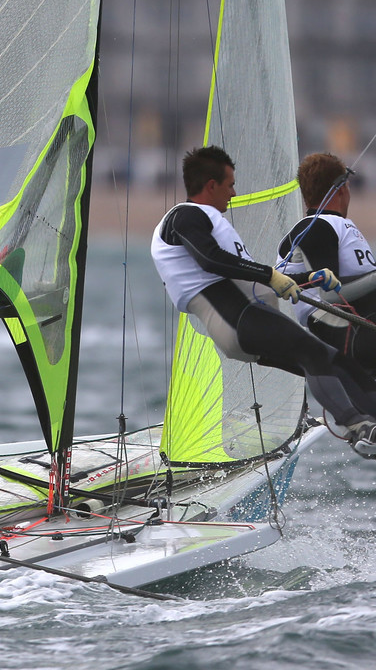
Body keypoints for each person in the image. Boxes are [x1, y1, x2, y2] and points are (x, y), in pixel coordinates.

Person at [151, 146, 376, 457]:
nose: (234, 192)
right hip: (232, 317)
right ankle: (357, 425)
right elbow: (209, 259)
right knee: (312, 352)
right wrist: (270, 275)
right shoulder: (185, 215)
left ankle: (369, 427)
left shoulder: (214, 223)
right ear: (211, 185)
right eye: (230, 184)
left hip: (246, 313)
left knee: (334, 361)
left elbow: (250, 275)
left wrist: (308, 279)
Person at [278, 152, 376, 371]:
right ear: (342, 189)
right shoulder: (316, 226)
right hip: (345, 329)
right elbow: (330, 294)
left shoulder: (337, 226)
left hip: (362, 321)